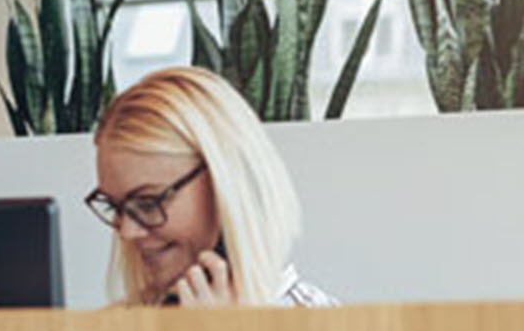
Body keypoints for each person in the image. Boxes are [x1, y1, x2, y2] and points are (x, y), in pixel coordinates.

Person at [87, 65, 337, 307]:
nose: (127, 232)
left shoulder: (326, 329)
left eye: (148, 203)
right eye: (115, 207)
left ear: (223, 185)